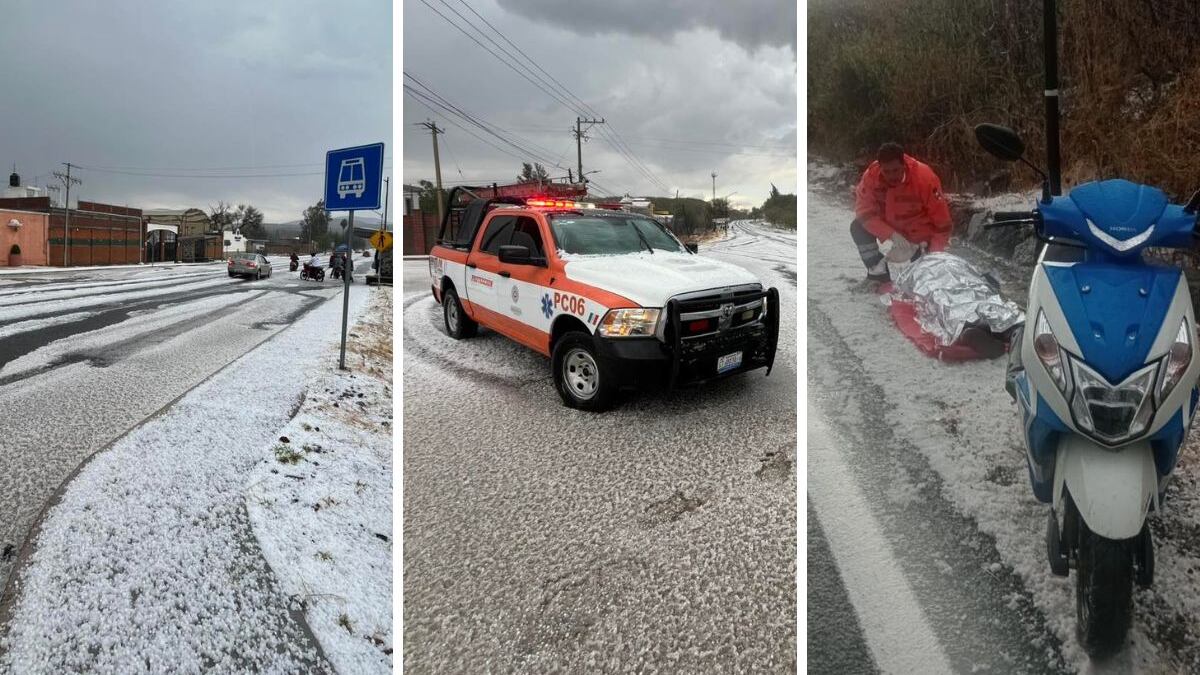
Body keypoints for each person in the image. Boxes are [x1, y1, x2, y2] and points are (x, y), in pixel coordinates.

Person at [850, 142, 953, 282]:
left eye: (896, 170)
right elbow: (864, 213)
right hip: (891, 226)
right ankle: (878, 273)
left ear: (904, 164)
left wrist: (934, 256)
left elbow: (942, 224)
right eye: (887, 172)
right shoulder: (871, 177)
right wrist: (891, 235)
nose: (892, 176)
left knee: (925, 276)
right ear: (880, 167)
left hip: (920, 233)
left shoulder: (925, 178)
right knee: (858, 227)